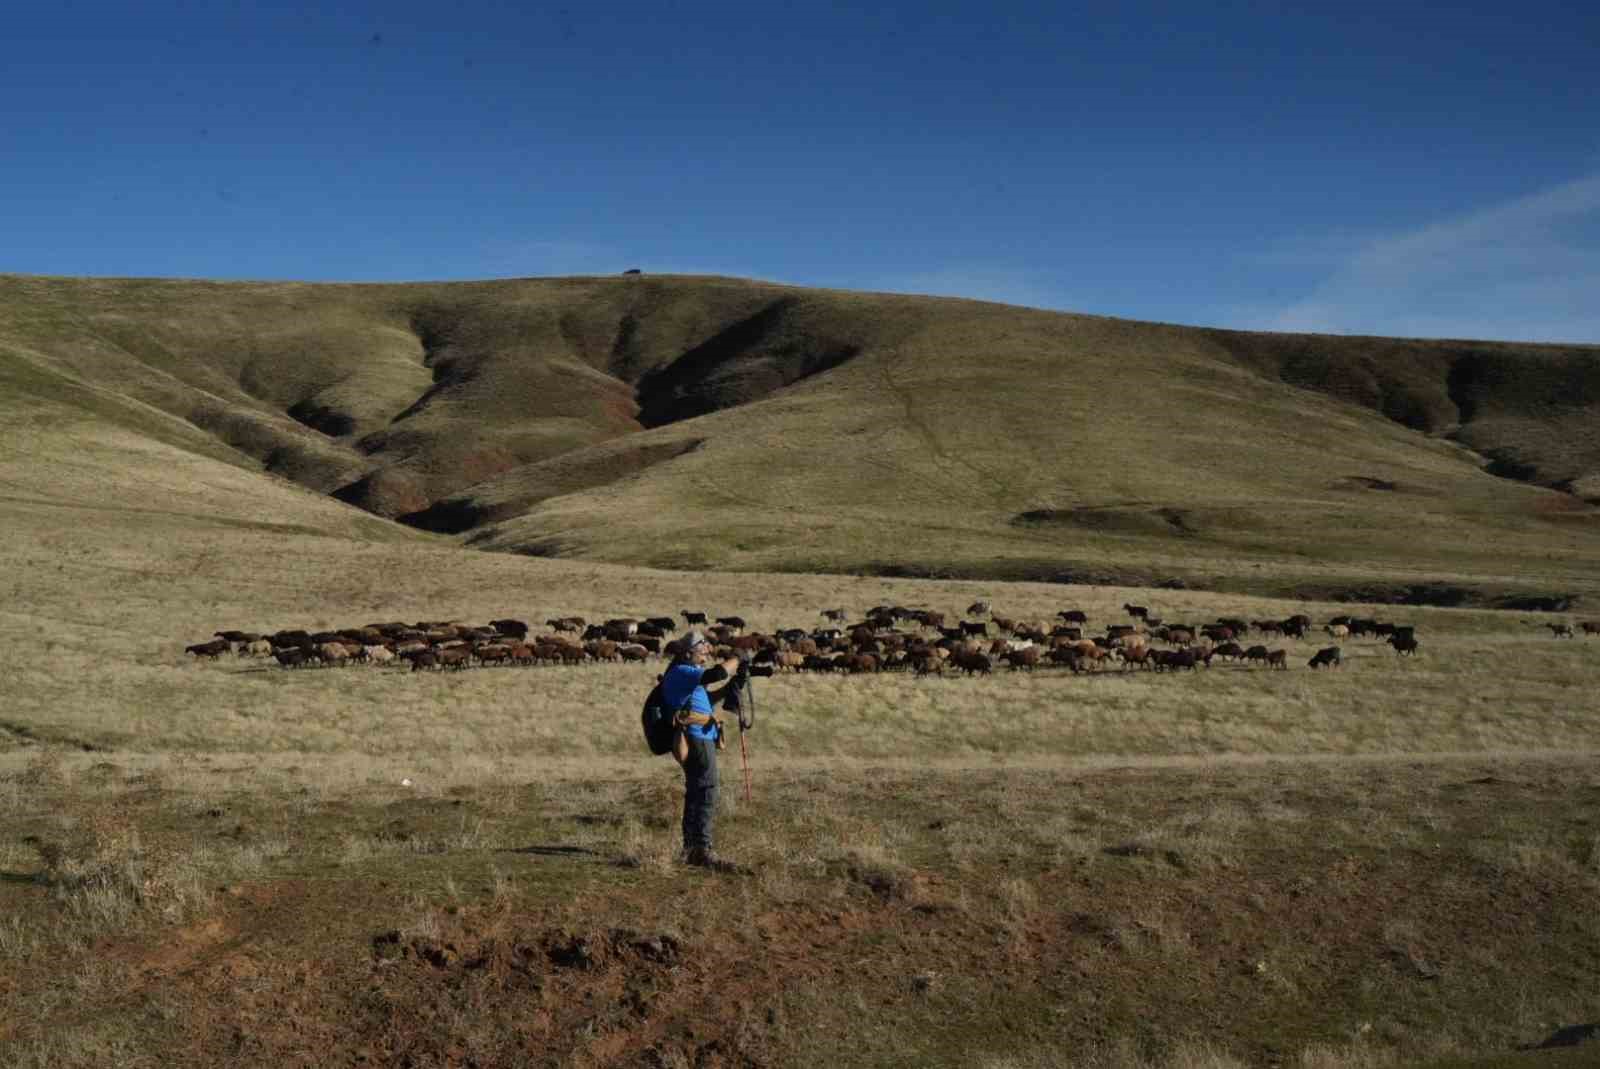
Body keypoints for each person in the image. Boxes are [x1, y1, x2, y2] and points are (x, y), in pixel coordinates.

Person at [659, 630, 743, 869]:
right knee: (706, 789)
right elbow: (718, 672)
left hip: (702, 736)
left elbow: (707, 698)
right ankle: (702, 849)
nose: (707, 650)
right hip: (696, 737)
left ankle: (691, 849)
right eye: (702, 646)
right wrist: (738, 656)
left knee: (697, 790)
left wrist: (730, 688)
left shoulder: (688, 674)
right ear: (688, 653)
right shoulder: (683, 671)